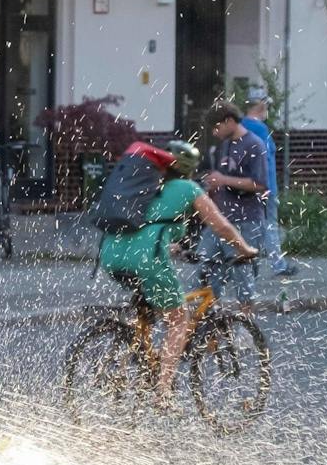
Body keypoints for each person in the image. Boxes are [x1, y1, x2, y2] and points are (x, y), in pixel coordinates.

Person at [99, 140, 257, 402]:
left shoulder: (145, 187)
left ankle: (134, 356)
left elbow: (146, 226)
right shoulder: (187, 188)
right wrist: (245, 249)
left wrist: (173, 247)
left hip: (111, 254)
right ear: (190, 169)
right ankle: (162, 391)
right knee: (179, 317)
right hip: (145, 259)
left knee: (149, 310)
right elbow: (222, 227)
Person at [199, 104, 268, 302]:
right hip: (220, 221)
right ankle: (208, 324)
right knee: (203, 272)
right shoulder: (225, 145)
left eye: (217, 126)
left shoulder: (254, 144)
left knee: (243, 281)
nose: (215, 132)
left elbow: (261, 184)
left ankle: (247, 330)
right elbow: (223, 176)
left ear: (229, 120)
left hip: (246, 222)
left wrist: (224, 180)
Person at [241, 88, 296, 278]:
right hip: (265, 186)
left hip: (251, 186)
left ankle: (251, 263)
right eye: (267, 106)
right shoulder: (259, 128)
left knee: (254, 226)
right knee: (267, 225)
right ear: (261, 105)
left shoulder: (242, 126)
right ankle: (276, 265)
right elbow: (262, 159)